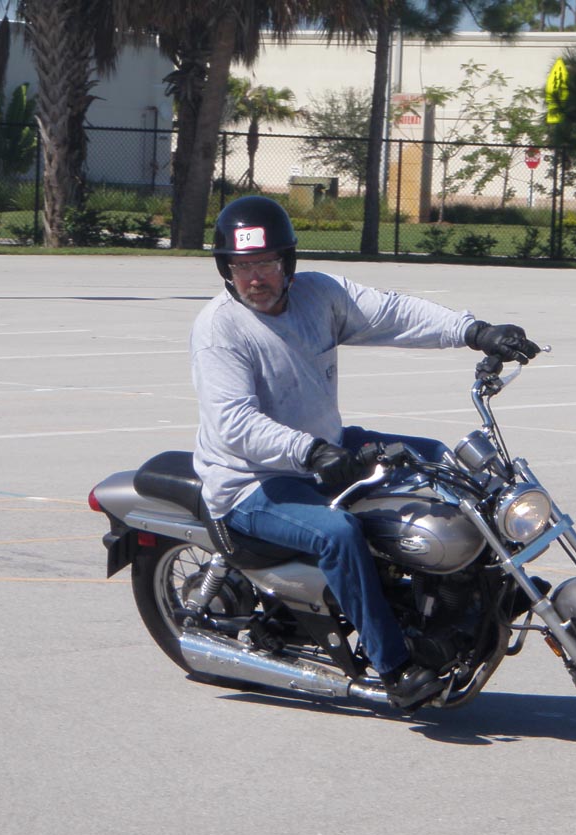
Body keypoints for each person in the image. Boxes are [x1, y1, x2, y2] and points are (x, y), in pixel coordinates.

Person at [190, 195, 538, 708]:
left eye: (265, 263)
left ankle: (469, 593)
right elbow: (234, 423)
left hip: (322, 447)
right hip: (249, 480)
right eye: (242, 266)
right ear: (226, 270)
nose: (255, 278)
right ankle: (393, 665)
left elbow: (391, 313)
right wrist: (311, 452)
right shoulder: (220, 329)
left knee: (437, 460)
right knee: (339, 534)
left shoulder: (318, 295)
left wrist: (474, 331)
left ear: (287, 262)